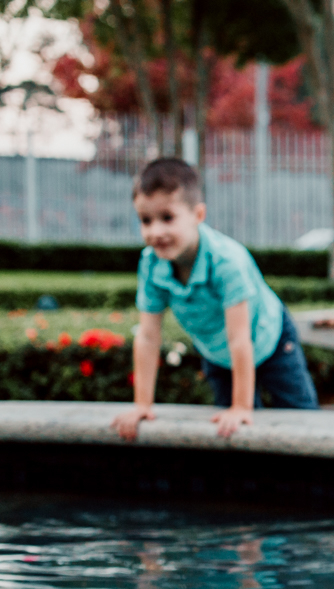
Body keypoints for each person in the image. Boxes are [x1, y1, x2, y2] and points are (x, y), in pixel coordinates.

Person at [111, 157, 318, 441]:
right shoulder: (152, 264)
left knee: (301, 421)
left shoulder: (226, 261)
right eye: (145, 220)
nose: (155, 231)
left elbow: (240, 338)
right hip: (219, 355)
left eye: (167, 218)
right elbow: (147, 336)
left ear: (198, 215)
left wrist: (241, 406)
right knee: (229, 431)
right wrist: (142, 407)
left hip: (270, 340)